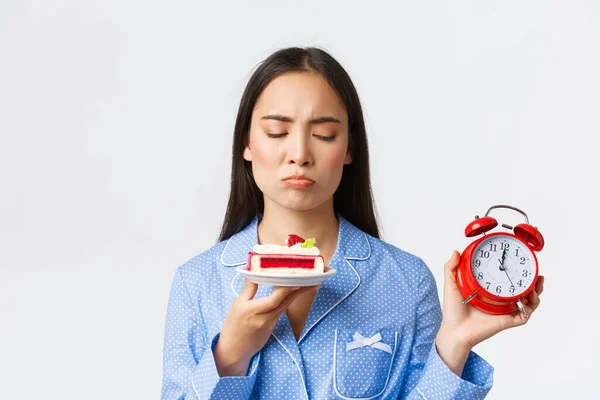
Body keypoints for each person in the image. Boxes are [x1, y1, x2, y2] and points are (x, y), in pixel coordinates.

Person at [160, 47, 544, 400]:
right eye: (277, 131)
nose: (299, 154)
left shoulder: (406, 282)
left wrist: (455, 344)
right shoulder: (197, 284)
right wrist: (229, 356)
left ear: (349, 149)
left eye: (324, 134)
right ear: (246, 143)